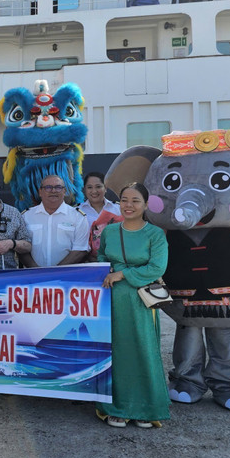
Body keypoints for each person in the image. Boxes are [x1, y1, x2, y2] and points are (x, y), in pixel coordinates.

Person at [95, 182, 170, 428]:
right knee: (116, 351)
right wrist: (110, 271)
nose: (128, 205)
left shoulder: (156, 234)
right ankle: (116, 406)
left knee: (142, 350)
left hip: (141, 302)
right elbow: (102, 258)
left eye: (135, 200)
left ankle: (147, 409)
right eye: (124, 200)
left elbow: (157, 268)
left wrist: (123, 274)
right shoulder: (110, 231)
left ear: (146, 205)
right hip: (112, 299)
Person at [20, 174, 89, 267]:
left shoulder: (78, 217)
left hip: (66, 277)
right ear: (40, 192)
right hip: (33, 276)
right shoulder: (26, 216)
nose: (53, 191)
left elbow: (80, 250)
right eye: (48, 187)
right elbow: (21, 248)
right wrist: (35, 270)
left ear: (64, 191)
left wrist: (55, 271)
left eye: (58, 187)